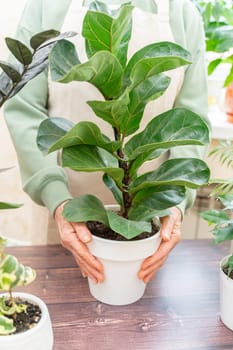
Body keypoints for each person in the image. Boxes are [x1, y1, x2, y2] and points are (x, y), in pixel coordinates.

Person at [4, 0, 209, 285]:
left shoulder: (181, 12)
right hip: (65, 216)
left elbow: (191, 119)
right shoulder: (45, 6)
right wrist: (57, 199)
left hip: (148, 225)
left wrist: (175, 204)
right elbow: (23, 107)